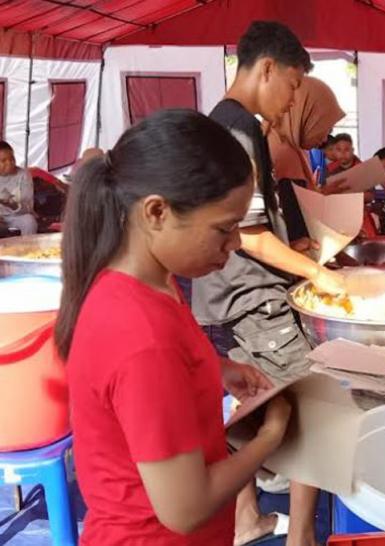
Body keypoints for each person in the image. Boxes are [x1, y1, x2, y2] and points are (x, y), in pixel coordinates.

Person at [57, 109, 292, 545]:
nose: (237, 244)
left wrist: (215, 367)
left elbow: (153, 373)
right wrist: (270, 437)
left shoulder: (150, 280)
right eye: (224, 228)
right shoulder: (141, 337)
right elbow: (187, 509)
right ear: (157, 212)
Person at [191, 21, 344, 546]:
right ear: (267, 69)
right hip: (249, 302)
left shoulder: (225, 122)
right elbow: (251, 237)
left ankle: (246, 520)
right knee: (315, 408)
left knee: (240, 408)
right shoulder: (238, 128)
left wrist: (294, 249)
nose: (294, 97)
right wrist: (317, 272)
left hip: (218, 301)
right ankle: (302, 536)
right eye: (295, 84)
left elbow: (253, 226)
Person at [268, 76, 346, 253]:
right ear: (306, 116)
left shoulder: (291, 148)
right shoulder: (285, 153)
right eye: (326, 128)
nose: (325, 138)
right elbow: (298, 229)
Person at [0, 141, 37, 235]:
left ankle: (27, 248)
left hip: (18, 216)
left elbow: (27, 206)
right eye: (3, 160)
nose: (9, 163)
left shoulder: (23, 175)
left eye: (12, 158)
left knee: (29, 221)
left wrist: (12, 204)